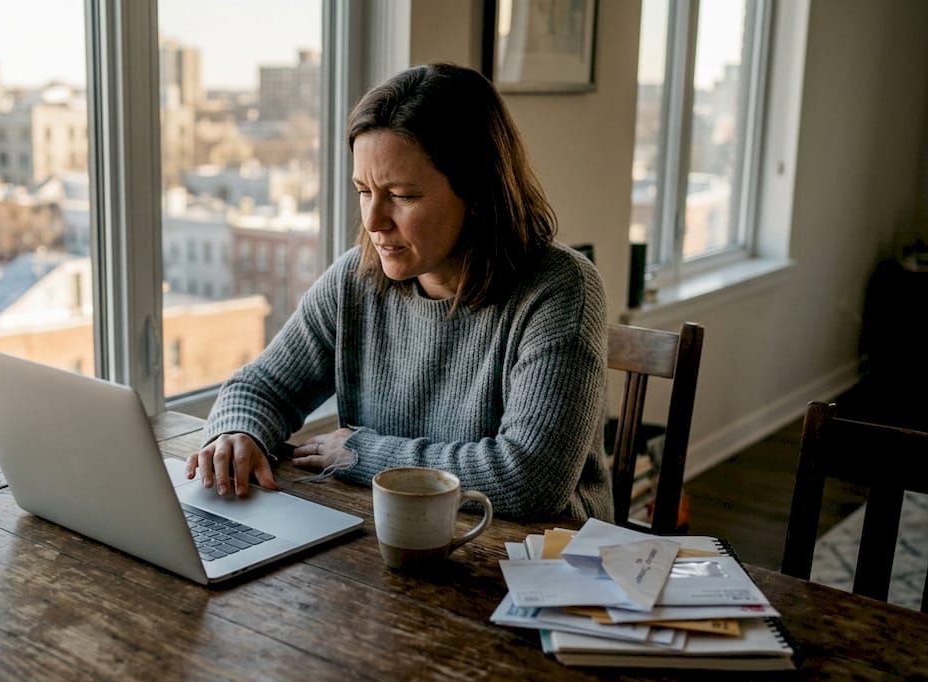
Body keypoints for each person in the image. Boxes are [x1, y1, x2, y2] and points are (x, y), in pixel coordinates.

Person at [185, 62, 612, 522]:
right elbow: (262, 386)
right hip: (399, 541)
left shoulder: (560, 290)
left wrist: (361, 453)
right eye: (364, 190)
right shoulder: (356, 279)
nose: (373, 222)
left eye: (402, 196)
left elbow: (526, 480)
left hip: (540, 563)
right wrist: (236, 432)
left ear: (477, 192)